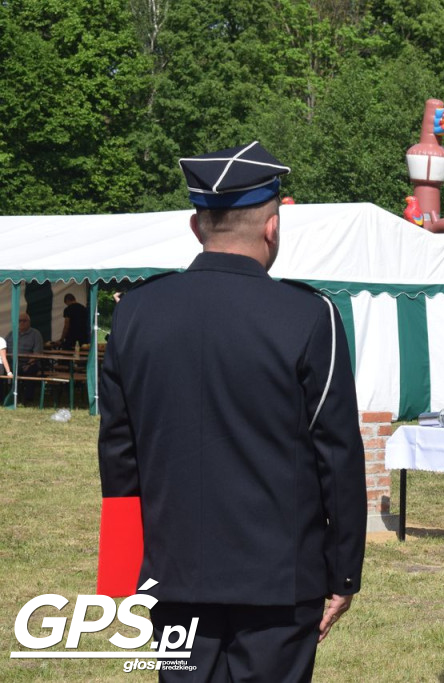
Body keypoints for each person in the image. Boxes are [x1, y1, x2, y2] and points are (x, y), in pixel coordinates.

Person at [97, 141, 367, 682]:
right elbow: (336, 455)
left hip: (171, 571)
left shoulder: (135, 313)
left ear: (197, 226)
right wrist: (343, 574)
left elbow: (118, 455)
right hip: (278, 577)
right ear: (273, 227)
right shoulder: (309, 315)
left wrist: (126, 572)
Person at [5, 313, 45, 403]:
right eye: (20, 321)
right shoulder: (12, 333)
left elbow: (37, 353)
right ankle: (3, 396)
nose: (22, 323)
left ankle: (28, 399)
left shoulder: (35, 334)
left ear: (29, 322)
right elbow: (3, 348)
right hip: (12, 363)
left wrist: (29, 364)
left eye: (24, 321)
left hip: (29, 363)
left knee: (30, 370)